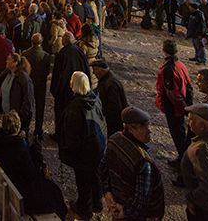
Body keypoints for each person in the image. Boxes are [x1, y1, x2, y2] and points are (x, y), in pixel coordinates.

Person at [0, 111, 67, 219]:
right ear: (18, 127)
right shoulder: (19, 147)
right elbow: (31, 173)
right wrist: (27, 145)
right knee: (55, 193)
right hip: (21, 190)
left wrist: (22, 140)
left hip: (6, 180)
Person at [98, 107, 165, 221]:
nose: (149, 131)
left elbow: (102, 168)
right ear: (130, 129)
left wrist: (107, 192)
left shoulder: (114, 139)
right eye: (144, 126)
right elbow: (141, 200)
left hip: (119, 206)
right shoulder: (142, 161)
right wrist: (124, 212)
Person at [59, 71, 108, 220]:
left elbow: (72, 136)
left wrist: (69, 151)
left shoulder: (75, 107)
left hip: (83, 152)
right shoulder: (94, 99)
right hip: (98, 147)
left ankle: (85, 209)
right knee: (95, 175)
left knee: (83, 180)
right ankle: (98, 202)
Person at [155, 39, 193, 166]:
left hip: (174, 107)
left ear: (164, 50)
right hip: (181, 105)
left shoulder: (168, 69)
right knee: (180, 133)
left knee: (178, 135)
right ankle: (183, 157)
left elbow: (173, 93)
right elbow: (188, 85)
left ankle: (184, 161)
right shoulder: (180, 64)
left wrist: (183, 109)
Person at [50, 31, 89, 139]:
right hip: (78, 89)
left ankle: (60, 134)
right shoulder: (80, 52)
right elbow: (86, 69)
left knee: (61, 114)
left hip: (64, 91)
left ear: (64, 41)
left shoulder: (62, 54)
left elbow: (57, 74)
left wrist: (54, 90)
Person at [23, 33, 52, 140]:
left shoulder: (25, 54)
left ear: (31, 41)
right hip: (41, 84)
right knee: (40, 107)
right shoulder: (46, 56)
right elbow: (48, 71)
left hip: (29, 84)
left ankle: (25, 128)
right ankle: (38, 130)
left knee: (28, 106)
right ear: (41, 42)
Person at [0, 53, 35, 133]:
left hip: (17, 119)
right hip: (7, 115)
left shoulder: (23, 78)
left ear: (15, 63)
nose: (6, 61)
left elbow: (28, 100)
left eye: (9, 60)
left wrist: (20, 117)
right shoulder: (8, 73)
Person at [92, 60, 129, 137]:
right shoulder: (106, 79)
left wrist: (101, 112)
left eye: (94, 69)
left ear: (101, 70)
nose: (93, 73)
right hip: (114, 119)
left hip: (115, 121)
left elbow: (114, 106)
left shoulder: (111, 84)